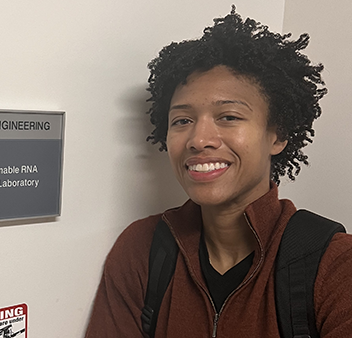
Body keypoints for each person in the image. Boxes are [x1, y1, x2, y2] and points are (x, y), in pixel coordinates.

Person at [84, 8, 352, 338]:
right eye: (182, 121)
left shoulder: (336, 266)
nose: (198, 140)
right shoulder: (140, 250)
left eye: (228, 117)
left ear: (278, 135)